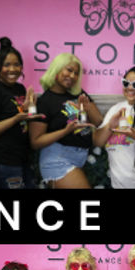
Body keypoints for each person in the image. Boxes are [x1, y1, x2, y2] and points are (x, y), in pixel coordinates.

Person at [0, 37, 43, 189]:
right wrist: (14, 119)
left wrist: (27, 109)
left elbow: (18, 118)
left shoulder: (19, 89)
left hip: (20, 159)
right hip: (0, 162)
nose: (12, 69)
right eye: (7, 65)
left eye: (16, 65)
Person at [30, 53, 100, 188]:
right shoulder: (45, 101)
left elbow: (98, 121)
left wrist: (87, 107)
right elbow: (36, 142)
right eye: (69, 70)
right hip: (57, 160)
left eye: (76, 73)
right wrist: (65, 131)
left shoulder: (78, 94)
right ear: (57, 69)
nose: (72, 76)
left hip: (80, 157)